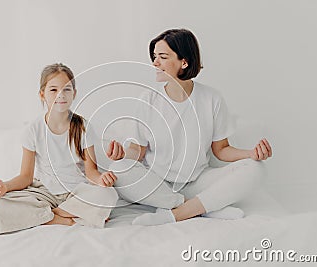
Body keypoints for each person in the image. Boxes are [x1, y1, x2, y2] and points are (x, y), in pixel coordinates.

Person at [106, 29, 272, 226]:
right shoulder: (148, 100)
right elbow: (138, 151)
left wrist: (251, 153)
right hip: (158, 184)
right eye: (154, 57)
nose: (155, 63)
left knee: (256, 169)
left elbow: (221, 150)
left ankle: (176, 214)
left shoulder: (211, 99)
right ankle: (199, 208)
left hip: (197, 182)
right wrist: (123, 155)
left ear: (184, 62)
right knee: (118, 169)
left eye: (163, 57)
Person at [0, 63, 118, 234]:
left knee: (108, 195)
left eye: (67, 89)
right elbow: (26, 177)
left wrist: (101, 180)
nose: (61, 95)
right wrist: (5, 186)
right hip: (44, 192)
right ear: (42, 94)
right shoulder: (33, 130)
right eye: (53, 90)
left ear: (74, 94)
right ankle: (65, 218)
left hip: (75, 191)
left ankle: (45, 216)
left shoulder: (83, 126)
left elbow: (91, 171)